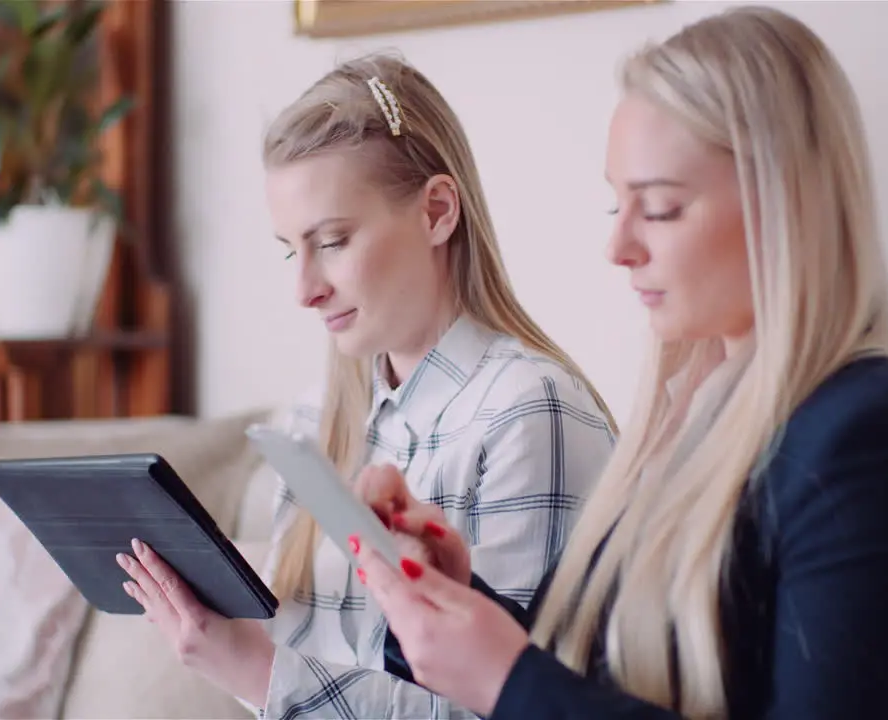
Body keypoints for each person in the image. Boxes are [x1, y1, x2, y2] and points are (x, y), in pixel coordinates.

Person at [351, 6, 888, 719]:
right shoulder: (688, 418)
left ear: (783, 205)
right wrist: (453, 601)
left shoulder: (869, 446)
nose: (617, 248)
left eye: (659, 208)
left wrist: (507, 678)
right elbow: (596, 673)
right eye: (617, 205)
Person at [114, 54, 619, 718]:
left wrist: (258, 672)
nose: (304, 290)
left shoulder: (529, 414)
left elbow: (520, 708)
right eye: (293, 249)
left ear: (437, 212)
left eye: (334, 240)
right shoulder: (312, 421)